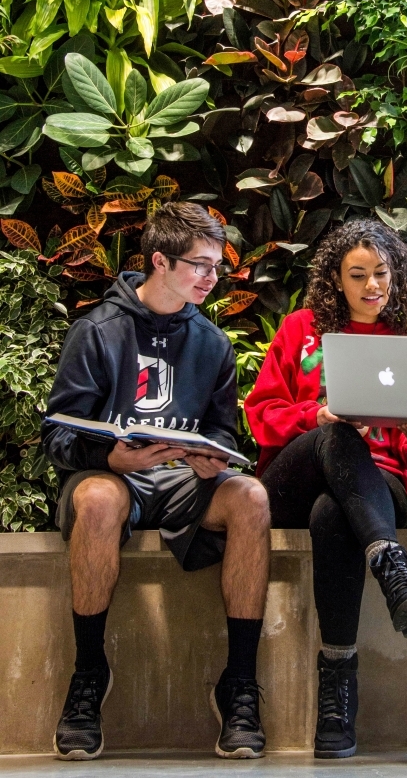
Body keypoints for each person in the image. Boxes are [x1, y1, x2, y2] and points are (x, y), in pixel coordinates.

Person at [42, 202, 271, 761]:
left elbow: (221, 432)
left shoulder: (213, 344)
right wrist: (111, 457)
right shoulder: (97, 330)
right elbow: (57, 437)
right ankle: (88, 677)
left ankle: (239, 683)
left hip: (180, 482)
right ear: (159, 262)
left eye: (218, 266)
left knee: (251, 497)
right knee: (95, 498)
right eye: (200, 265)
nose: (212, 278)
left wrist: (213, 460)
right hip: (114, 479)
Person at [245, 218, 407, 759]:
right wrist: (318, 415)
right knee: (335, 434)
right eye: (358, 275)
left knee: (335, 515)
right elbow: (260, 415)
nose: (372, 286)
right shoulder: (301, 329)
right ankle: (391, 565)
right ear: (336, 278)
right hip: (296, 475)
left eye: (382, 273)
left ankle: (338, 688)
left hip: (375, 489)